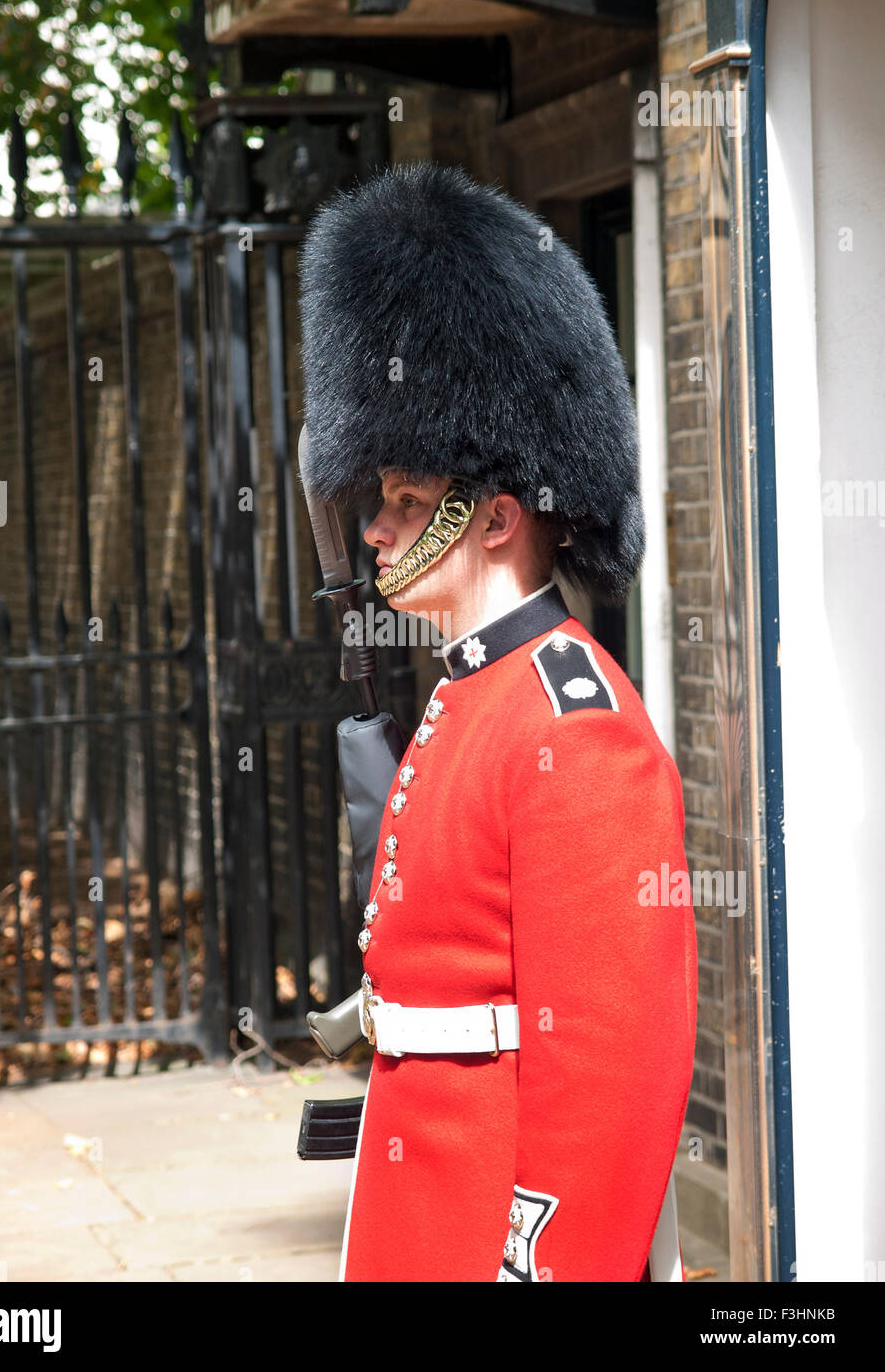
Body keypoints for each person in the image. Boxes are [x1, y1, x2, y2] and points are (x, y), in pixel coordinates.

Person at [298, 162, 698, 1283]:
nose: (375, 528)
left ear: (498, 519)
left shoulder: (574, 722)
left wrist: (542, 1264)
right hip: (417, 1204)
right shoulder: (471, 695)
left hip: (490, 1233)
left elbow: (617, 1065)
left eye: (408, 502)